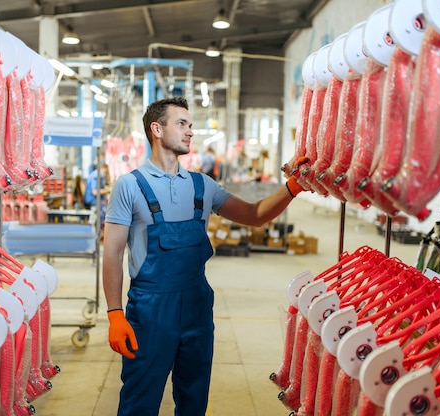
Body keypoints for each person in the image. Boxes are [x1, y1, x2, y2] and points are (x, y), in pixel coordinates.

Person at [102, 97, 304, 416]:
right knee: (139, 400)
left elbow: (254, 215)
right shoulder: (129, 186)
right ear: (157, 129)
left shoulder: (202, 185)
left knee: (194, 397)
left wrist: (293, 186)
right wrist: (114, 314)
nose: (190, 132)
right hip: (151, 309)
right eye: (181, 123)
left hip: (197, 305)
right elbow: (111, 253)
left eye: (190, 125)